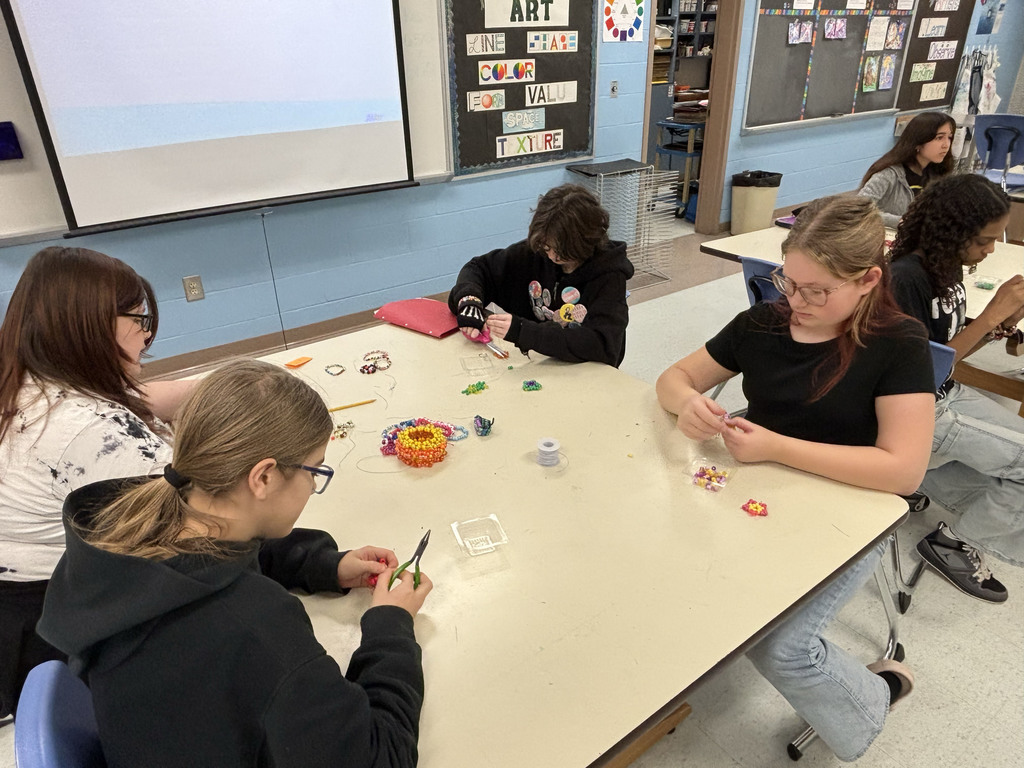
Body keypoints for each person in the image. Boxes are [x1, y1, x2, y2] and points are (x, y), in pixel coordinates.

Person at [38, 358, 432, 767]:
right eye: (314, 471)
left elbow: (227, 554)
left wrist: (324, 566)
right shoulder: (254, 627)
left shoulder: (122, 528)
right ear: (263, 477)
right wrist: (391, 625)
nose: (314, 485)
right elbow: (380, 756)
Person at [656, 196, 935, 762]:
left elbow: (903, 470)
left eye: (817, 291)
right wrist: (687, 403)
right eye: (789, 281)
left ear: (867, 280)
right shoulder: (764, 322)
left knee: (782, 646)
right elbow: (675, 376)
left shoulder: (898, 343)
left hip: (852, 510)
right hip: (759, 490)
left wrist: (778, 447)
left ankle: (870, 704)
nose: (797, 302)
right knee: (668, 557)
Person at [0, 246, 194, 719]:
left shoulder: (24, 382)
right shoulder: (91, 428)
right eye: (139, 320)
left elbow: (146, 396)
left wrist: (225, 382)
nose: (147, 336)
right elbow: (208, 518)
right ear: (93, 325)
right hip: (54, 626)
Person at [889, 173, 1024, 604]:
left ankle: (913, 483)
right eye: (985, 241)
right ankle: (952, 545)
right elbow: (919, 375)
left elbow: (946, 349)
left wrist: (993, 327)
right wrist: (986, 318)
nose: (990, 251)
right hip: (924, 412)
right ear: (954, 232)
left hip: (944, 397)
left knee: (1003, 487)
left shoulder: (945, 265)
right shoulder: (906, 278)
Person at [447, 183, 634, 367]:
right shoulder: (537, 253)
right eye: (547, 247)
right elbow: (478, 268)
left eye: (562, 251)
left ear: (583, 242)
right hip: (540, 363)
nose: (552, 256)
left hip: (586, 371)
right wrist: (469, 301)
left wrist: (525, 332)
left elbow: (602, 346)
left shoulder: (609, 275)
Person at [858, 111, 955, 228]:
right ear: (918, 142)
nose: (946, 144)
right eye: (939, 138)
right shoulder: (889, 174)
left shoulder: (939, 174)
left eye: (949, 137)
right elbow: (859, 210)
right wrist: (900, 221)